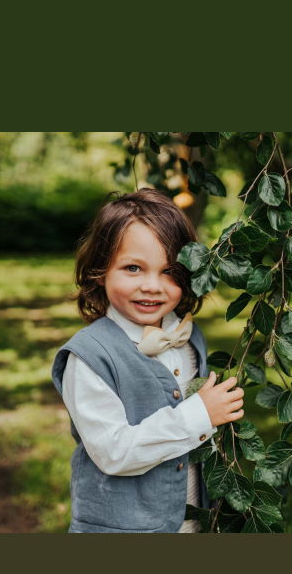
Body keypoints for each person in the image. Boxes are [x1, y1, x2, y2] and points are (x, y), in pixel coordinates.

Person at [51, 188, 244, 533]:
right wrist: (200, 413)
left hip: (189, 519)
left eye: (169, 271)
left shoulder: (189, 337)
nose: (152, 286)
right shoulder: (90, 357)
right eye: (133, 268)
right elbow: (113, 451)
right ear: (101, 270)